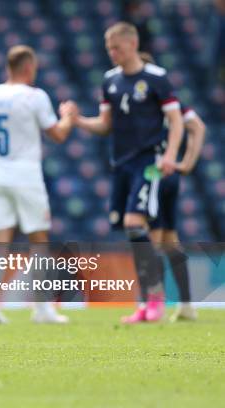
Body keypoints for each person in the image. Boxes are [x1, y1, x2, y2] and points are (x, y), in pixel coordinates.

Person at [60, 22, 184, 323]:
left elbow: (178, 121)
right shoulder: (110, 81)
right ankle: (147, 301)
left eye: (115, 47)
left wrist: (169, 156)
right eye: (108, 49)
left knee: (135, 223)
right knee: (134, 232)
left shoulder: (156, 78)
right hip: (122, 165)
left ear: (131, 44)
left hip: (149, 162)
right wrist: (77, 121)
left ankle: (155, 299)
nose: (112, 53)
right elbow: (105, 125)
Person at [0, 45, 76, 324]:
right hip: (26, 177)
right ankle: (41, 309)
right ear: (28, 67)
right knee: (39, 242)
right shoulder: (35, 97)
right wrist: (69, 118)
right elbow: (58, 135)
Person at [138, 52, 207, 322]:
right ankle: (187, 304)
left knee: (148, 239)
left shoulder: (143, 99)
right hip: (171, 175)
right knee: (170, 241)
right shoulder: (172, 100)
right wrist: (186, 162)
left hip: (152, 171)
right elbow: (198, 126)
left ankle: (152, 304)